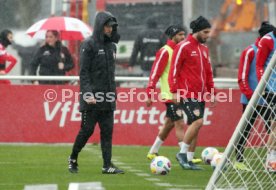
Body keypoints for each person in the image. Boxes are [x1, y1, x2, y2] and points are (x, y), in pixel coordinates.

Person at [68, 11, 124, 174]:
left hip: (108, 98)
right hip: (91, 98)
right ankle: (73, 158)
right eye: (108, 26)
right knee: (86, 131)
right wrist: (88, 94)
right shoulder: (89, 44)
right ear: (100, 26)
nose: (110, 30)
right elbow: (83, 72)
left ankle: (107, 166)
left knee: (107, 132)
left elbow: (111, 73)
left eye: (112, 27)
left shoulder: (112, 46)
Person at [146, 25, 201, 164]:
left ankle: (153, 151)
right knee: (179, 123)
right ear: (172, 36)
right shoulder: (165, 51)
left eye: (184, 34)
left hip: (182, 93)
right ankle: (184, 156)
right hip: (170, 95)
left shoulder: (181, 50)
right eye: (180, 34)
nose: (183, 37)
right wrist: (150, 93)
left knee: (169, 123)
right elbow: (155, 73)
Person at [168, 16, 216, 170]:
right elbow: (173, 70)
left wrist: (212, 92)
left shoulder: (204, 49)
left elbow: (208, 73)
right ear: (197, 31)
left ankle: (188, 159)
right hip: (186, 93)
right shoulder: (183, 47)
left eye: (209, 32)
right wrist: (174, 91)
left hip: (200, 94)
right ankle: (182, 154)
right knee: (198, 122)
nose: (208, 35)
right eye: (205, 32)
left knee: (195, 125)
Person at [236, 21, 274, 171]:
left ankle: (271, 159)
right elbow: (242, 76)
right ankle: (239, 160)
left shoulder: (273, 52)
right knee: (245, 130)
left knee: (271, 129)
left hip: (269, 97)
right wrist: (250, 94)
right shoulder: (250, 51)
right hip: (251, 98)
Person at [256, 25, 276, 173]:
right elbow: (259, 65)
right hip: (272, 89)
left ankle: (271, 160)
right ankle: (271, 160)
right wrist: (263, 87)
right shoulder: (268, 40)